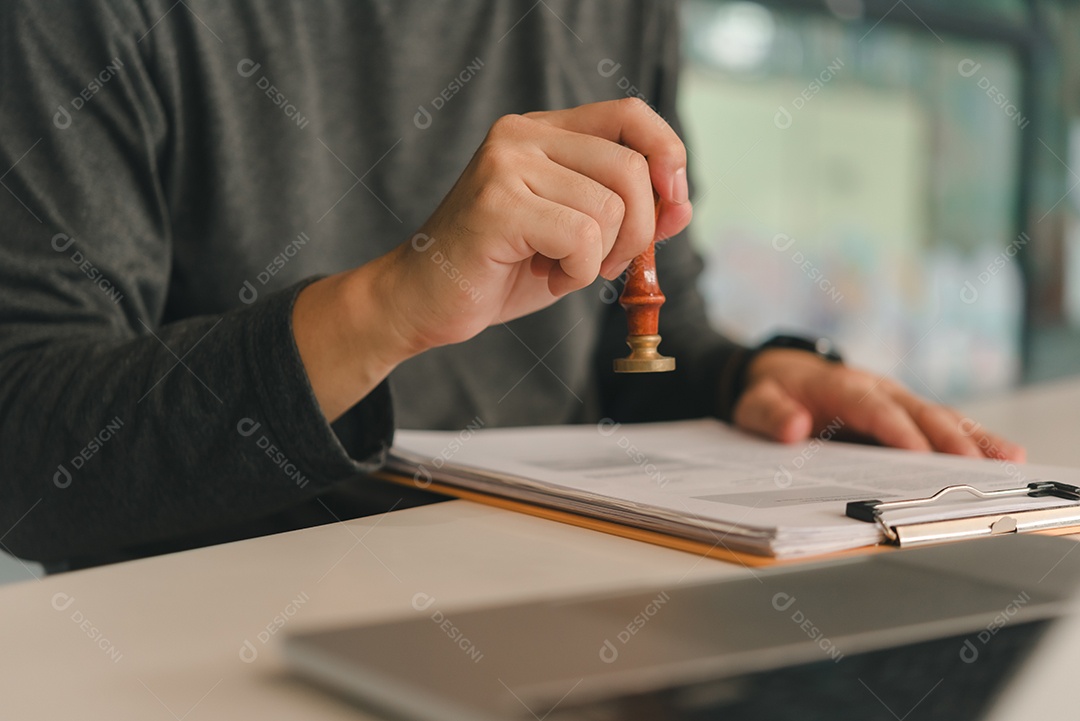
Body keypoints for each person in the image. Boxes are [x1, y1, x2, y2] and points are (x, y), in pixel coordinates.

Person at [0, 0, 1023, 572]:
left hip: (576, 617)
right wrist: (391, 305)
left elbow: (648, 340)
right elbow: (27, 456)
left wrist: (747, 378)